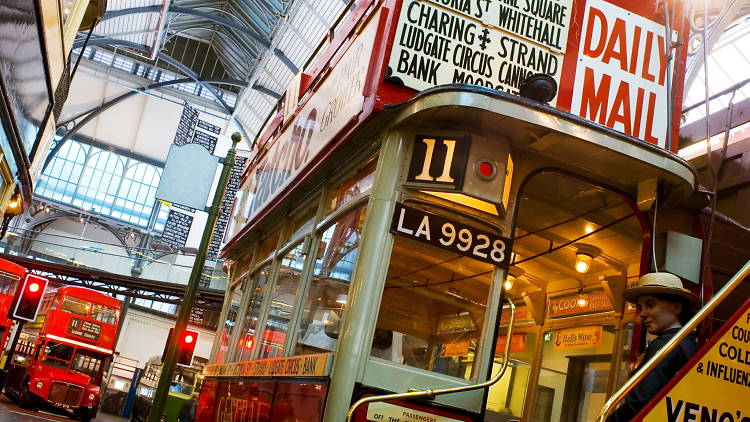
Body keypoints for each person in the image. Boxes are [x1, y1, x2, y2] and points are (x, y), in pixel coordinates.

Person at [607, 272, 701, 422]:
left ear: (676, 307)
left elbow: (639, 404)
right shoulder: (690, 344)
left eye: (650, 304)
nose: (643, 313)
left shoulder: (664, 346)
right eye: (640, 307)